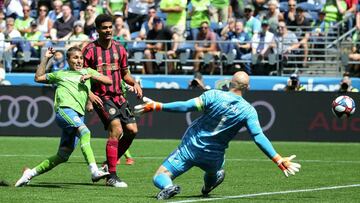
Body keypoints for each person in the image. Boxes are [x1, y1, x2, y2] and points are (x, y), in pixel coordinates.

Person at [134, 71, 301, 200]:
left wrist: (157, 106)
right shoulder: (249, 111)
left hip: (190, 148)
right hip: (214, 156)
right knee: (214, 172)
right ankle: (208, 187)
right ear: (247, 87)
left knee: (159, 176)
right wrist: (278, 159)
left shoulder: (213, 95)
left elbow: (185, 106)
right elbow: (258, 137)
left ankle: (168, 186)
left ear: (230, 82)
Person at [14, 47, 112, 187]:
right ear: (68, 60)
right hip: (65, 111)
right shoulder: (60, 74)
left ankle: (29, 173)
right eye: (75, 58)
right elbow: (38, 78)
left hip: (78, 116)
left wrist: (91, 76)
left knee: (62, 156)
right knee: (86, 132)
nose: (79, 61)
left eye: (80, 58)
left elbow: (108, 81)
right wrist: (46, 58)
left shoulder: (88, 71)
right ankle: (94, 171)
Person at [82, 14, 143, 188]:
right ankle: (112, 177)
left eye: (110, 27)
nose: (108, 30)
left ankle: (108, 165)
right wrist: (89, 96)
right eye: (104, 28)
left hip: (119, 96)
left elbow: (125, 74)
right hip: (102, 97)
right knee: (116, 129)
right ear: (97, 30)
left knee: (132, 130)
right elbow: (82, 76)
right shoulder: (89, 50)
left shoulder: (120, 49)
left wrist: (135, 83)